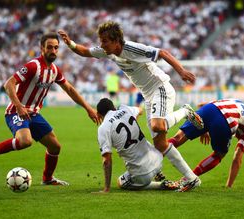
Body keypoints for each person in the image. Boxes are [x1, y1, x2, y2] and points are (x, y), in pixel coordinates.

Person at [58, 21, 204, 187]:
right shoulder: (108, 52)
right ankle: (192, 179)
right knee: (160, 144)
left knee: (158, 126)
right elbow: (84, 51)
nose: (101, 44)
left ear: (116, 41)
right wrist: (69, 43)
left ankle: (185, 111)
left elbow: (162, 53)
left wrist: (181, 71)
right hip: (148, 96)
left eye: (105, 40)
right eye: (101, 40)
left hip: (160, 88)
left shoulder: (132, 48)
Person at [0, 32, 100, 186]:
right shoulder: (33, 66)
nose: (53, 51)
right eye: (50, 47)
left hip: (34, 114)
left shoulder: (54, 70)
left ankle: (47, 179)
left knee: (55, 147)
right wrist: (19, 106)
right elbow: (9, 84)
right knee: (25, 141)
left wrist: (88, 108)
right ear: (42, 48)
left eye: (56, 48)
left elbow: (69, 89)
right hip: (16, 111)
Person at [96, 98, 200, 192]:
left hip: (142, 174)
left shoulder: (104, 128)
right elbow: (140, 110)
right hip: (158, 160)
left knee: (121, 182)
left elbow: (106, 161)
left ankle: (160, 185)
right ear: (114, 107)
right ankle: (157, 172)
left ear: (98, 115)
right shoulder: (125, 109)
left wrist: (106, 188)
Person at [168, 99, 244, 188]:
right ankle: (189, 178)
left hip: (209, 108)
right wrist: (229, 185)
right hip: (225, 121)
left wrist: (203, 129)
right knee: (219, 154)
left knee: (178, 138)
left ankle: (154, 156)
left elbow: (201, 105)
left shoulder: (238, 103)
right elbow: (238, 158)